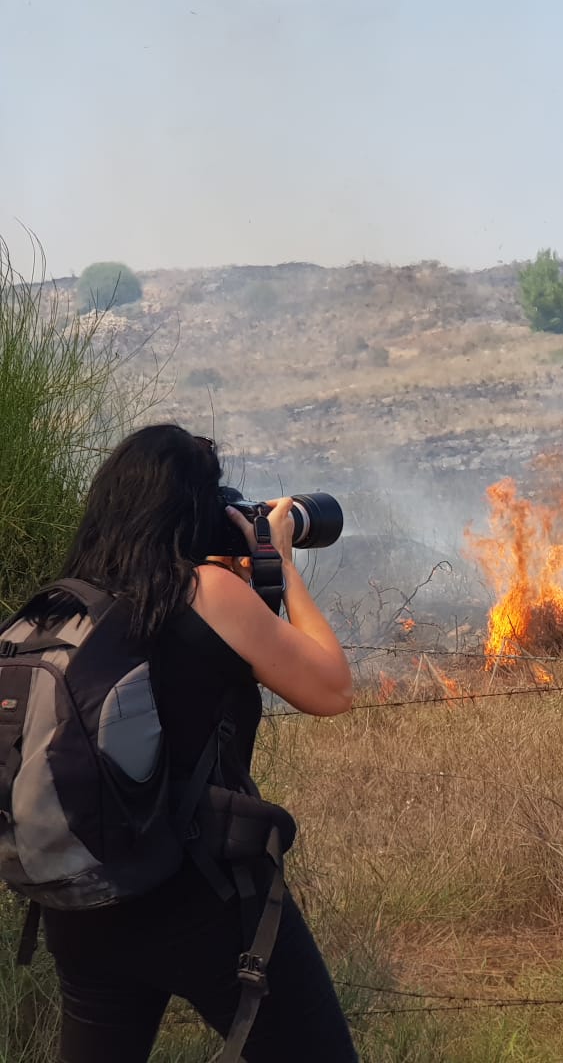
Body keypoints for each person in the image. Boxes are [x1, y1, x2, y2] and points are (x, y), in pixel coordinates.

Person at [29, 425, 357, 1062]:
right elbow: (332, 691)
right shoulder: (205, 591)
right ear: (193, 510)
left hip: (82, 897)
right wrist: (278, 560)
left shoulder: (62, 607)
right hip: (198, 894)